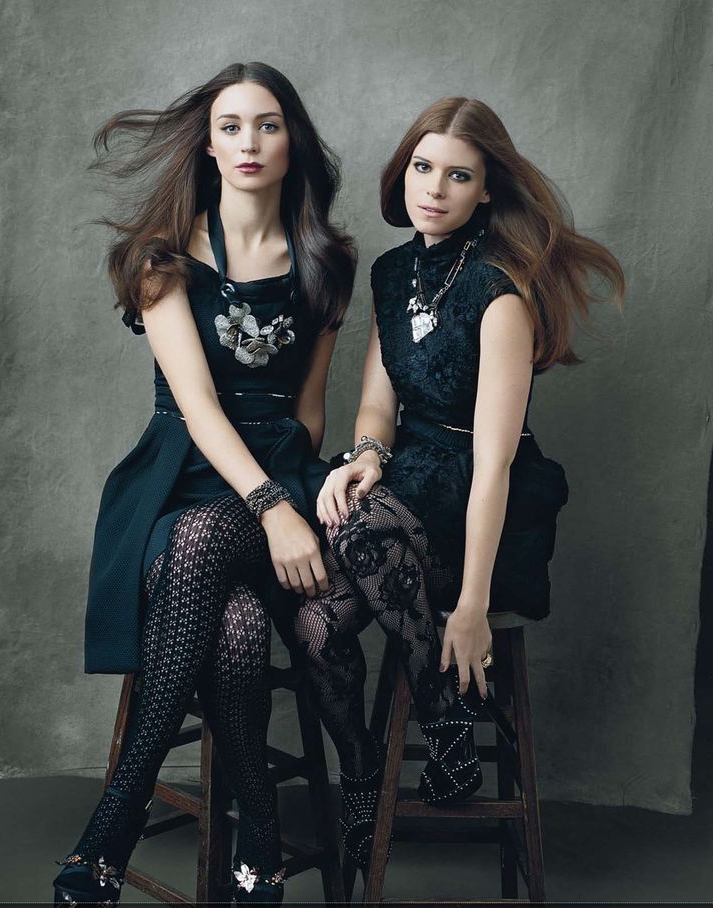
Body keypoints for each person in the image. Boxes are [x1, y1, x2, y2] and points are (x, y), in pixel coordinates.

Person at [52, 62, 356, 906]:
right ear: (209, 144)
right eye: (230, 126)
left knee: (233, 595)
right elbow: (197, 408)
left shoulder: (329, 260)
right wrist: (272, 512)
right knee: (233, 618)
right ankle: (257, 837)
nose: (248, 142)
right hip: (179, 480)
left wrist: (292, 504)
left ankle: (111, 828)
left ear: (292, 142)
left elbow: (310, 413)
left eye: (267, 124)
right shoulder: (163, 259)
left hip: (280, 482)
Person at [295, 97, 624, 866]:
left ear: (486, 192)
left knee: (358, 524)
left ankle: (445, 723)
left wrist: (472, 605)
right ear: (403, 171)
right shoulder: (392, 272)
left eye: (458, 175)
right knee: (315, 623)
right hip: (410, 476)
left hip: (487, 496)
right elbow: (377, 402)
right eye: (422, 167)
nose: (433, 188)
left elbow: (494, 464)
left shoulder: (499, 292)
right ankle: (361, 779)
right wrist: (367, 454)